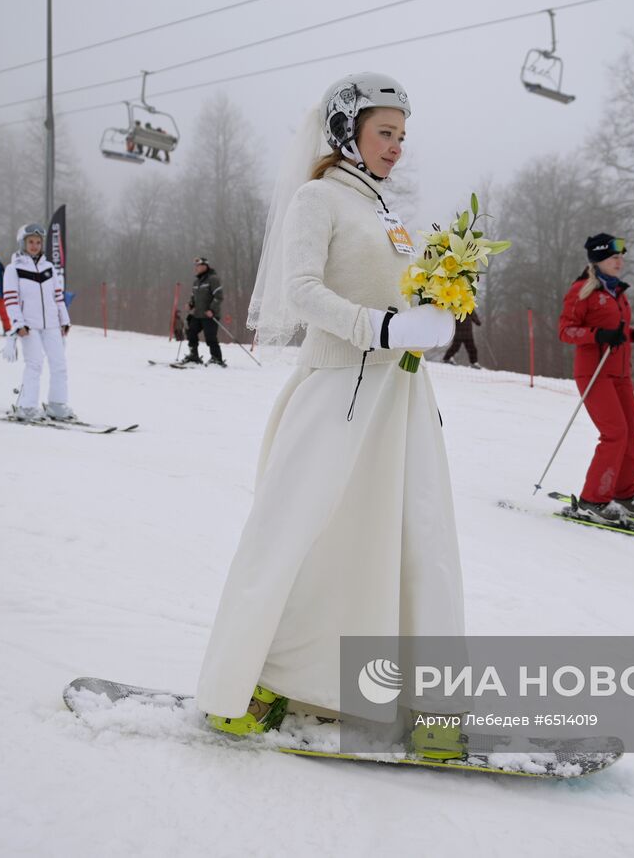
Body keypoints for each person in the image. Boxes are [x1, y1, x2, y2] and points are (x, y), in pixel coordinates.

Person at [195, 72, 467, 762]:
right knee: (300, 537)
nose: (396, 147)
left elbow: (402, 298)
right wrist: (379, 327)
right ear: (347, 131)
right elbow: (301, 292)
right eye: (385, 132)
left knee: (412, 539)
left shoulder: (388, 212)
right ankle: (256, 684)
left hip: (399, 400)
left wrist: (436, 314)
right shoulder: (318, 199)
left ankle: (429, 702)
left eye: (402, 136)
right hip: (339, 390)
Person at [556, 233, 634, 526]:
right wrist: (597, 336)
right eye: (614, 256)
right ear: (599, 260)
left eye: (621, 256)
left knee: (632, 437)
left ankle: (623, 494)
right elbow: (565, 331)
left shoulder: (618, 293)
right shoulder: (582, 290)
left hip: (620, 374)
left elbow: (619, 334)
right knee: (615, 434)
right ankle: (593, 500)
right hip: (594, 374)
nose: (620, 261)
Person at [2, 224, 73, 421]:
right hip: (29, 326)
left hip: (51, 325)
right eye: (30, 242)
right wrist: (18, 324)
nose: (34, 246)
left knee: (59, 364)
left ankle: (57, 405)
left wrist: (64, 320)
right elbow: (11, 300)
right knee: (35, 364)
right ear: (22, 243)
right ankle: (26, 407)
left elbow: (58, 298)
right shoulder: (13, 269)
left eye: (38, 242)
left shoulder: (49, 268)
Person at [182, 256, 226, 366]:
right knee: (191, 332)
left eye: (200, 266)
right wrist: (190, 305)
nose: (197, 268)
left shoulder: (213, 279)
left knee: (210, 337)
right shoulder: (196, 282)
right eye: (196, 266)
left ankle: (216, 358)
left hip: (210, 315)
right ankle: (194, 355)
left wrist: (212, 309)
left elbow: (219, 296)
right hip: (198, 314)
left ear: (206, 266)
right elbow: (194, 297)